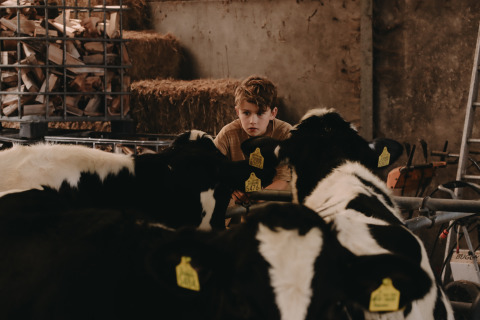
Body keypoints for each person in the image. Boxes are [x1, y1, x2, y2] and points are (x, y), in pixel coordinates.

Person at [214, 75, 292, 210]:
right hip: (238, 199)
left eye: (260, 113)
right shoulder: (228, 133)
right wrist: (229, 191)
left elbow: (284, 180)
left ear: (273, 113)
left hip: (271, 199)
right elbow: (210, 167)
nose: (253, 121)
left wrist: (256, 196)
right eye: (246, 113)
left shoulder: (285, 133)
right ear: (237, 112)